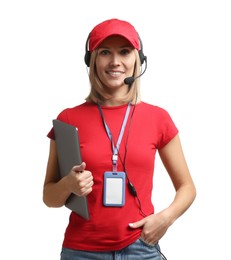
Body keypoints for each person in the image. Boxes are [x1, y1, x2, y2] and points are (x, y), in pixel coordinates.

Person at [43, 18, 196, 260]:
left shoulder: (158, 118)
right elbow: (49, 197)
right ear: (92, 60)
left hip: (141, 248)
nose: (115, 62)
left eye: (124, 52)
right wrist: (68, 186)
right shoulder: (68, 118)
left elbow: (187, 187)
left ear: (138, 59)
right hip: (82, 251)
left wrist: (165, 219)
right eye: (105, 52)